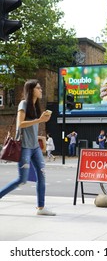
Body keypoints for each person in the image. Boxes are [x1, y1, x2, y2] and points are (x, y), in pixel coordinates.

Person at [0, 79, 56, 216]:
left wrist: (40, 138)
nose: (41, 90)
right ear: (31, 90)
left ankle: (41, 208)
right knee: (22, 179)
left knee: (42, 175)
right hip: (24, 147)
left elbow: (32, 129)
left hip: (35, 147)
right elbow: (20, 124)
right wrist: (40, 120)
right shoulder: (23, 104)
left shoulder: (36, 106)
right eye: (38, 88)